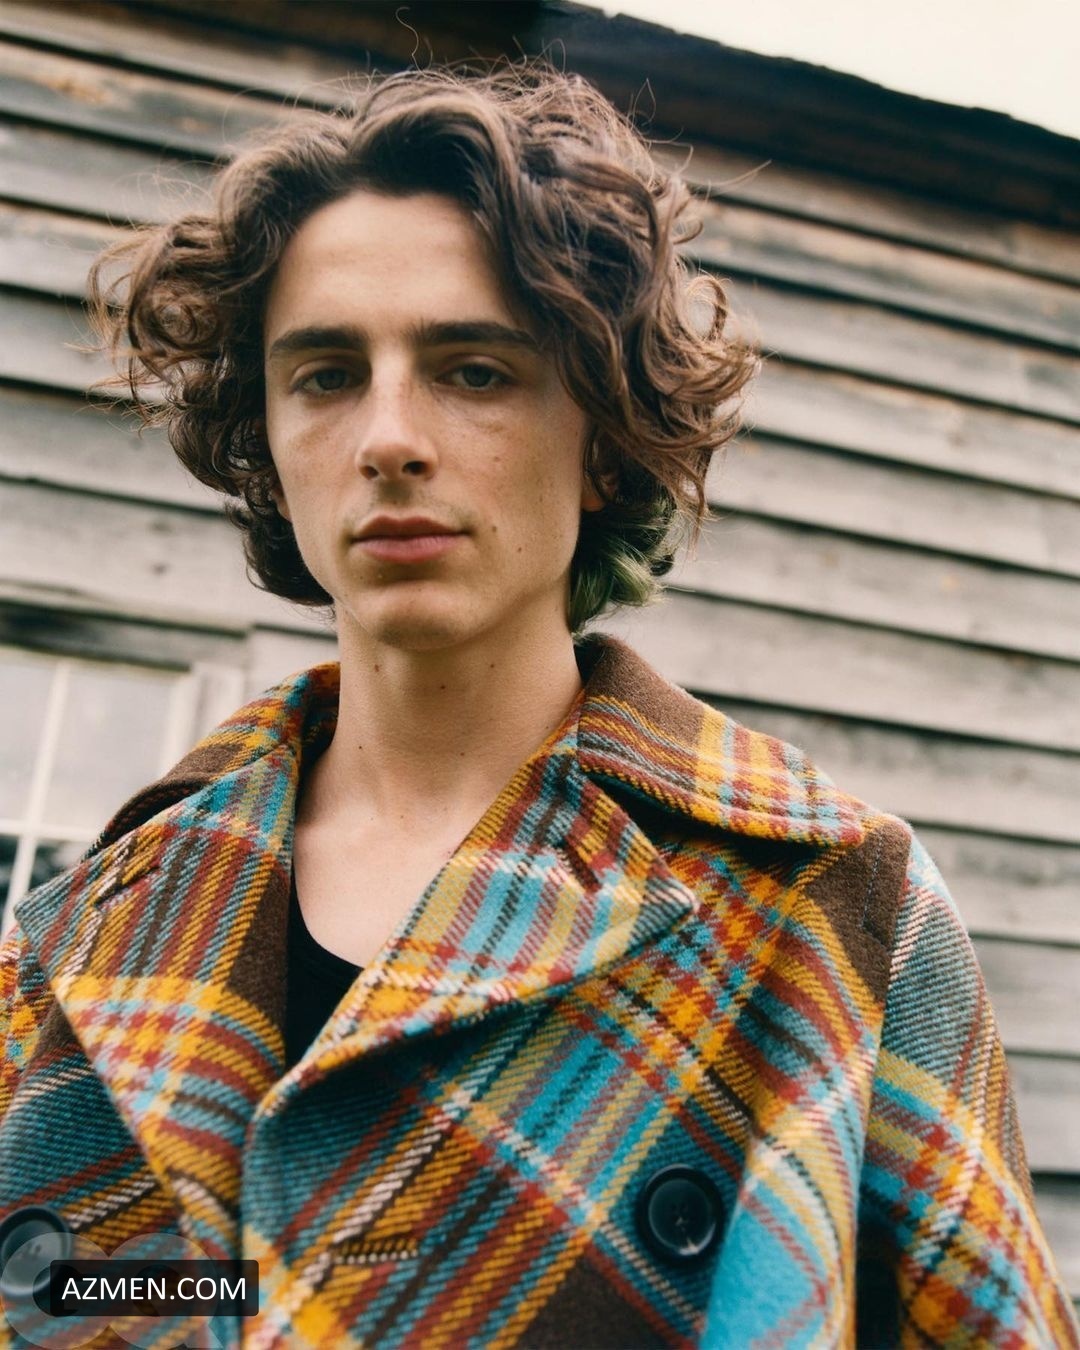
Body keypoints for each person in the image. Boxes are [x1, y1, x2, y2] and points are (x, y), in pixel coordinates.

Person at [0, 60, 1075, 1350]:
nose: (388, 437)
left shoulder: (828, 906)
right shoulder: (87, 932)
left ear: (604, 439)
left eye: (474, 370)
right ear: (268, 445)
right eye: (326, 375)